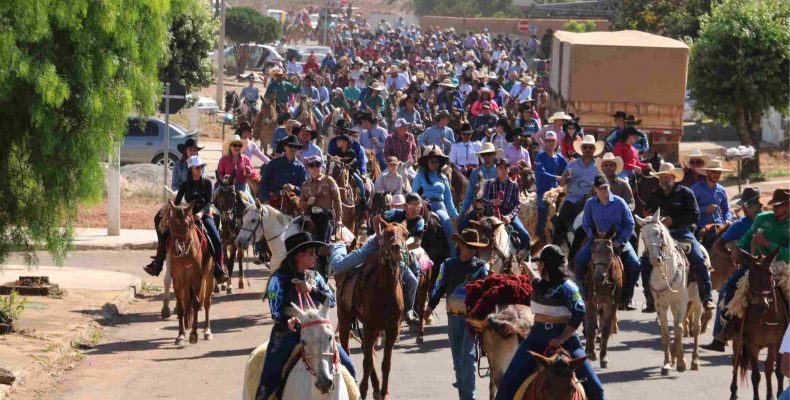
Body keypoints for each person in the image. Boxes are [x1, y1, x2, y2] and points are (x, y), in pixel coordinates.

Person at [496, 245, 605, 400]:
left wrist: (561, 339)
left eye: (539, 263)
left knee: (597, 390)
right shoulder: (541, 285)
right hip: (535, 340)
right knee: (506, 386)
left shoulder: (569, 287)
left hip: (567, 343)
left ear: (546, 265)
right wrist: (525, 265)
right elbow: (534, 280)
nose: (538, 266)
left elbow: (579, 313)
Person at [255, 232, 356, 400]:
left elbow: (330, 301)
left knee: (349, 367)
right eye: (311, 253)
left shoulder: (315, 276)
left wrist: (312, 290)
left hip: (317, 333)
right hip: (288, 333)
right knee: (270, 374)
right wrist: (288, 321)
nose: (315, 256)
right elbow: (275, 311)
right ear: (298, 256)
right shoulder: (278, 279)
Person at [702, 188, 789, 352]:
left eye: (778, 206)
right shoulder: (763, 219)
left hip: (785, 266)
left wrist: (768, 244)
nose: (774, 209)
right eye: (774, 205)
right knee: (733, 287)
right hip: (758, 265)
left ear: (788, 206)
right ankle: (726, 328)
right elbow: (746, 237)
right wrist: (738, 250)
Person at [327, 193, 426, 325]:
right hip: (376, 245)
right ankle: (338, 246)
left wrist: (400, 248)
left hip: (395, 252)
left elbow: (417, 243)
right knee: (339, 266)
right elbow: (376, 220)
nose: (415, 209)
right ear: (406, 206)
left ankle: (408, 311)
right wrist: (379, 237)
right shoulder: (395, 214)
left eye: (418, 206)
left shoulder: (419, 221)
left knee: (413, 281)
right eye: (412, 206)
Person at [639, 162, 715, 313]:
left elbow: (695, 215)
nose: (664, 179)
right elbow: (647, 214)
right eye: (662, 177)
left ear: (674, 177)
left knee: (699, 259)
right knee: (644, 261)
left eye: (667, 177)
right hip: (660, 235)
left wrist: (673, 221)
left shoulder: (685, 193)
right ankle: (649, 299)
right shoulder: (654, 196)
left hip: (682, 232)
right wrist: (647, 218)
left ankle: (706, 297)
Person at [425, 229, 490, 400]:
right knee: (458, 358)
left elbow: (488, 293)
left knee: (468, 356)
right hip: (453, 316)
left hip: (472, 319)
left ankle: (469, 395)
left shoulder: (482, 267)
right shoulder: (448, 265)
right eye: (468, 246)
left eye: (474, 248)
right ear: (460, 245)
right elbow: (439, 286)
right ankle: (462, 386)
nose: (471, 251)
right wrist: (430, 306)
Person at [144, 156, 228, 282]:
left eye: (202, 167)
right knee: (165, 235)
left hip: (204, 215)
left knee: (216, 239)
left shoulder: (207, 183)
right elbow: (177, 203)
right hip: (187, 216)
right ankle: (157, 264)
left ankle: (219, 268)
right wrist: (176, 215)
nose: (200, 169)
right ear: (191, 169)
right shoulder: (185, 185)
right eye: (197, 167)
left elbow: (209, 202)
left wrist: (200, 214)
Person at [575, 174, 642, 310]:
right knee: (579, 260)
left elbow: (630, 224)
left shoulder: (620, 202)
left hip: (617, 239)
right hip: (597, 240)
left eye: (606, 187)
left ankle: (627, 298)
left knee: (635, 264)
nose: (604, 190)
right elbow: (586, 224)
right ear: (595, 190)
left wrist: (620, 241)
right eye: (601, 188)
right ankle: (583, 294)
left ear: (609, 187)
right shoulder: (590, 204)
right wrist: (594, 237)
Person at [554, 135, 602, 249]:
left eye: (590, 147)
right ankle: (556, 248)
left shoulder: (599, 167)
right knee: (560, 220)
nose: (588, 150)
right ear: (582, 149)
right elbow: (562, 183)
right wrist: (565, 177)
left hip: (590, 200)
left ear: (594, 150)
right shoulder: (572, 165)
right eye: (585, 147)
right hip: (572, 199)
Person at [411, 145, 459, 255]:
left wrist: (456, 216)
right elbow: (413, 195)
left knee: (449, 229)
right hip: (422, 207)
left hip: (439, 206)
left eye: (437, 162)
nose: (434, 164)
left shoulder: (443, 177)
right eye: (432, 161)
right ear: (427, 162)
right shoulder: (419, 176)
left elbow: (448, 200)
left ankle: (453, 257)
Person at [481, 158, 531, 253]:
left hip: (508, 214)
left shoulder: (514, 185)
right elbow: (483, 199)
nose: (503, 170)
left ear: (508, 169)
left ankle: (523, 262)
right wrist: (492, 202)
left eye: (505, 168)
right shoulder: (490, 183)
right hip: (492, 215)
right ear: (497, 169)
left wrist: (509, 216)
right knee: (480, 233)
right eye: (500, 168)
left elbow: (517, 204)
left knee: (526, 237)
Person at [534, 131, 568, 241]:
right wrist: (558, 178)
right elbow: (541, 173)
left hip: (556, 191)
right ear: (544, 142)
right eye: (548, 141)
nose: (550, 143)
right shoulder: (540, 157)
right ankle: (539, 236)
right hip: (543, 191)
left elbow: (569, 168)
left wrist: (569, 175)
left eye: (552, 141)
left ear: (556, 142)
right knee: (543, 212)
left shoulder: (559, 157)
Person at [259, 135, 306, 208]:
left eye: (295, 147)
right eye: (290, 146)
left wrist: (294, 187)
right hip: (273, 201)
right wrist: (266, 200)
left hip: (293, 205)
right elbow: (263, 183)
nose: (293, 149)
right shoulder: (273, 164)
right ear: (285, 147)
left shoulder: (300, 167)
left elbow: (304, 188)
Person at [691, 159, 734, 237]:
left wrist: (728, 219)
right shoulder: (695, 189)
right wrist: (705, 209)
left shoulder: (722, 190)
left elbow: (726, 209)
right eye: (713, 172)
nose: (716, 175)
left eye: (719, 172)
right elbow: (689, 210)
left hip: (719, 226)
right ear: (707, 172)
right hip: (700, 228)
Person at [328, 133, 369, 213]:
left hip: (350, 172)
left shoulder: (351, 153)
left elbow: (354, 163)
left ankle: (363, 199)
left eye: (339, 140)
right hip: (338, 172)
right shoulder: (336, 151)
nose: (337, 142)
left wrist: (347, 167)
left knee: (360, 182)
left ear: (345, 142)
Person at [460, 143, 501, 216]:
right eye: (484, 154)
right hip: (479, 209)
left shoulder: (500, 172)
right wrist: (462, 213)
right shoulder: (475, 173)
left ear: (494, 155)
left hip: (498, 209)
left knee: (518, 227)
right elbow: (469, 194)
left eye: (489, 154)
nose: (486, 156)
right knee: (462, 225)